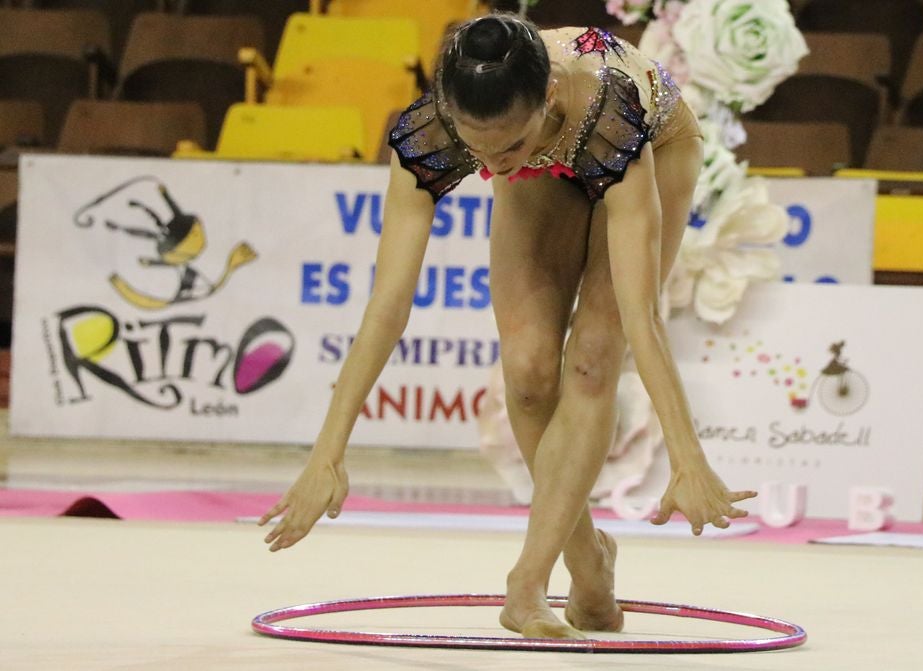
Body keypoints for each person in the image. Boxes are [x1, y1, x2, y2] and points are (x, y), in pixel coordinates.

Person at [258, 13, 756, 640]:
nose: (489, 166)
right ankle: (590, 564)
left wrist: (687, 458)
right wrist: (326, 456)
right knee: (526, 369)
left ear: (547, 97)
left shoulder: (607, 113)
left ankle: (527, 582)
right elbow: (386, 306)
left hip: (651, 142)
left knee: (595, 357)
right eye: (477, 151)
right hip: (547, 156)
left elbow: (642, 317)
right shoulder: (434, 133)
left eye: (505, 150)